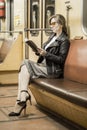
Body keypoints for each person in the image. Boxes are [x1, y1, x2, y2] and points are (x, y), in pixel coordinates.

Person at [9, 14, 70, 116]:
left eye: (53, 23)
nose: (51, 26)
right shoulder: (52, 37)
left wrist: (46, 54)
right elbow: (45, 52)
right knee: (24, 67)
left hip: (53, 70)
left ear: (61, 24)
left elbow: (61, 60)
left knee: (25, 63)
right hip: (45, 66)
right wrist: (37, 51)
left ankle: (21, 98)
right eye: (50, 24)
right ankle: (22, 97)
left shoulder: (64, 41)